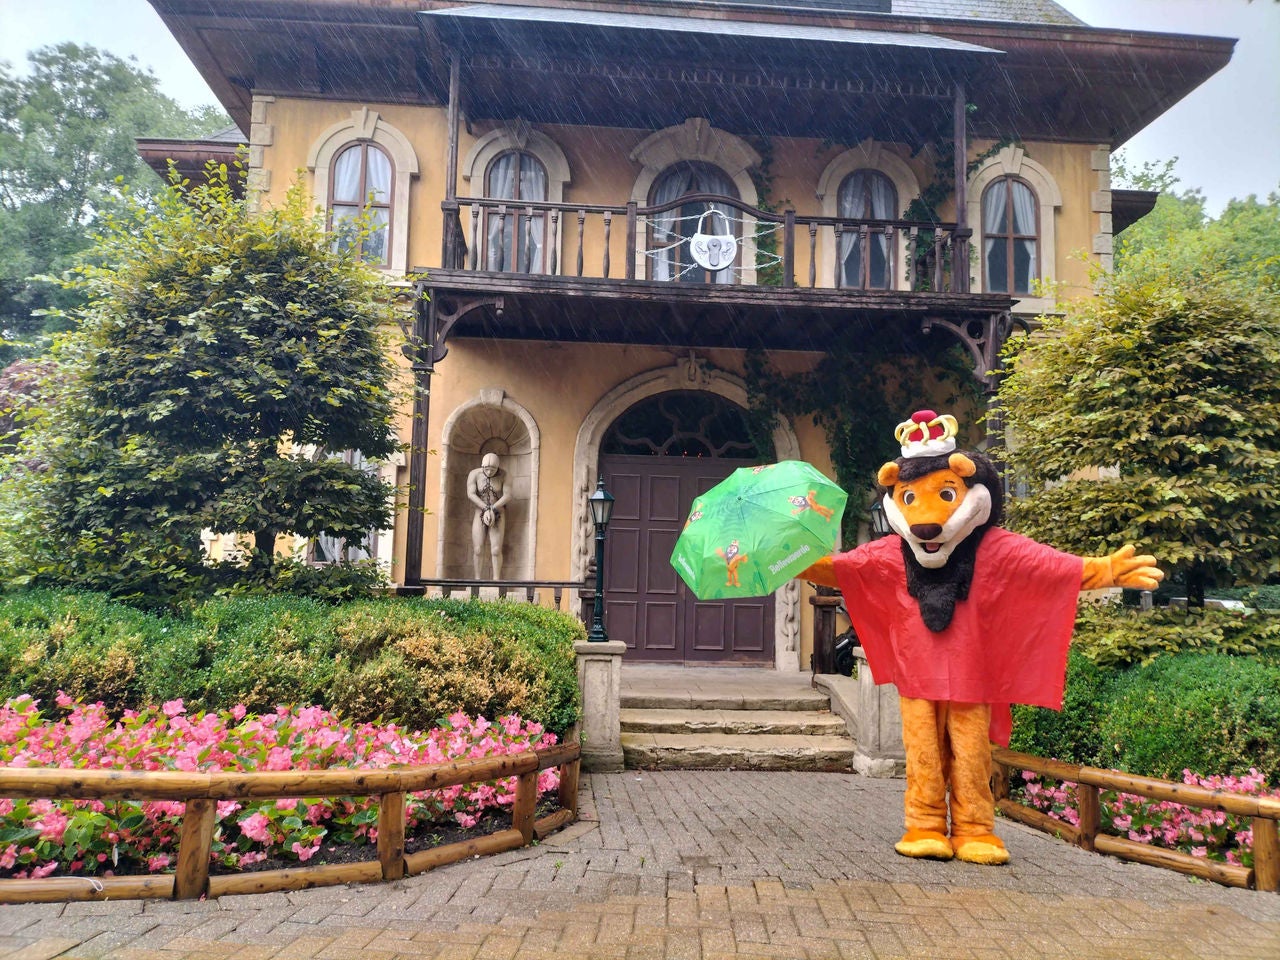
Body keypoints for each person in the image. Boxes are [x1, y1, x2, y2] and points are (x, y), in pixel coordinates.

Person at [466, 452, 511, 579]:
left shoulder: (505, 475)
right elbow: (471, 494)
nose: (490, 472)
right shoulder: (474, 474)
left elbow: (508, 495)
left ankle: (496, 579)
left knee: (496, 550)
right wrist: (485, 508)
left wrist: (492, 508)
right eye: (487, 469)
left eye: (493, 470)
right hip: (480, 511)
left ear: (498, 468)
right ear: (482, 466)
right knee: (478, 549)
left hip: (498, 513)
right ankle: (477, 579)